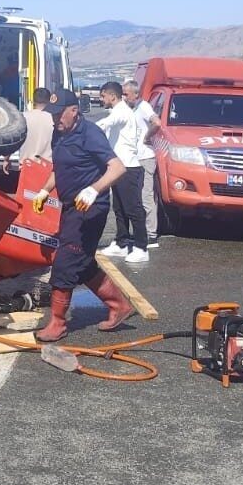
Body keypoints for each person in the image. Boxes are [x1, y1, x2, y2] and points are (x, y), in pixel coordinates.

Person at [29, 89, 134, 342]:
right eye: (52, 115)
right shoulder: (59, 133)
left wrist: (93, 189)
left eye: (59, 114)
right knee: (82, 261)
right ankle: (119, 305)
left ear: (74, 111)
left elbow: (118, 168)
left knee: (65, 261)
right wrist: (45, 190)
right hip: (70, 206)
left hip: (90, 208)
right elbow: (60, 167)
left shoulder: (90, 134)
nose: (55, 120)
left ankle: (57, 323)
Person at [94, 81, 149, 263]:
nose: (102, 99)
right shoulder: (118, 111)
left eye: (103, 96)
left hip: (129, 169)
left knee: (133, 208)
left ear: (112, 96)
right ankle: (121, 243)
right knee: (119, 208)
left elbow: (109, 122)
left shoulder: (122, 112)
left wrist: (92, 129)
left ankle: (141, 247)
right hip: (118, 168)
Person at [123, 79, 162, 247]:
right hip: (135, 158)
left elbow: (157, 122)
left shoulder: (144, 107)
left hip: (145, 157)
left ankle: (151, 232)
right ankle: (141, 231)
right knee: (135, 196)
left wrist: (147, 137)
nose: (124, 97)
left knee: (146, 195)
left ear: (135, 94)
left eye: (126, 94)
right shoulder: (132, 109)